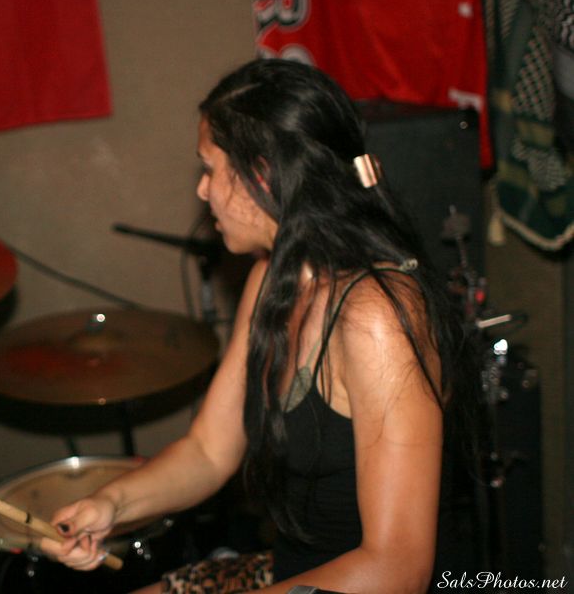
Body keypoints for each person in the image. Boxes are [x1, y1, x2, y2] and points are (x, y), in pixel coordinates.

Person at [41, 59, 475, 593]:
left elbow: (397, 567)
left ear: (262, 175)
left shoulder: (377, 314)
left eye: (210, 169)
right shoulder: (270, 278)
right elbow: (209, 451)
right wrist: (111, 504)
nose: (203, 191)